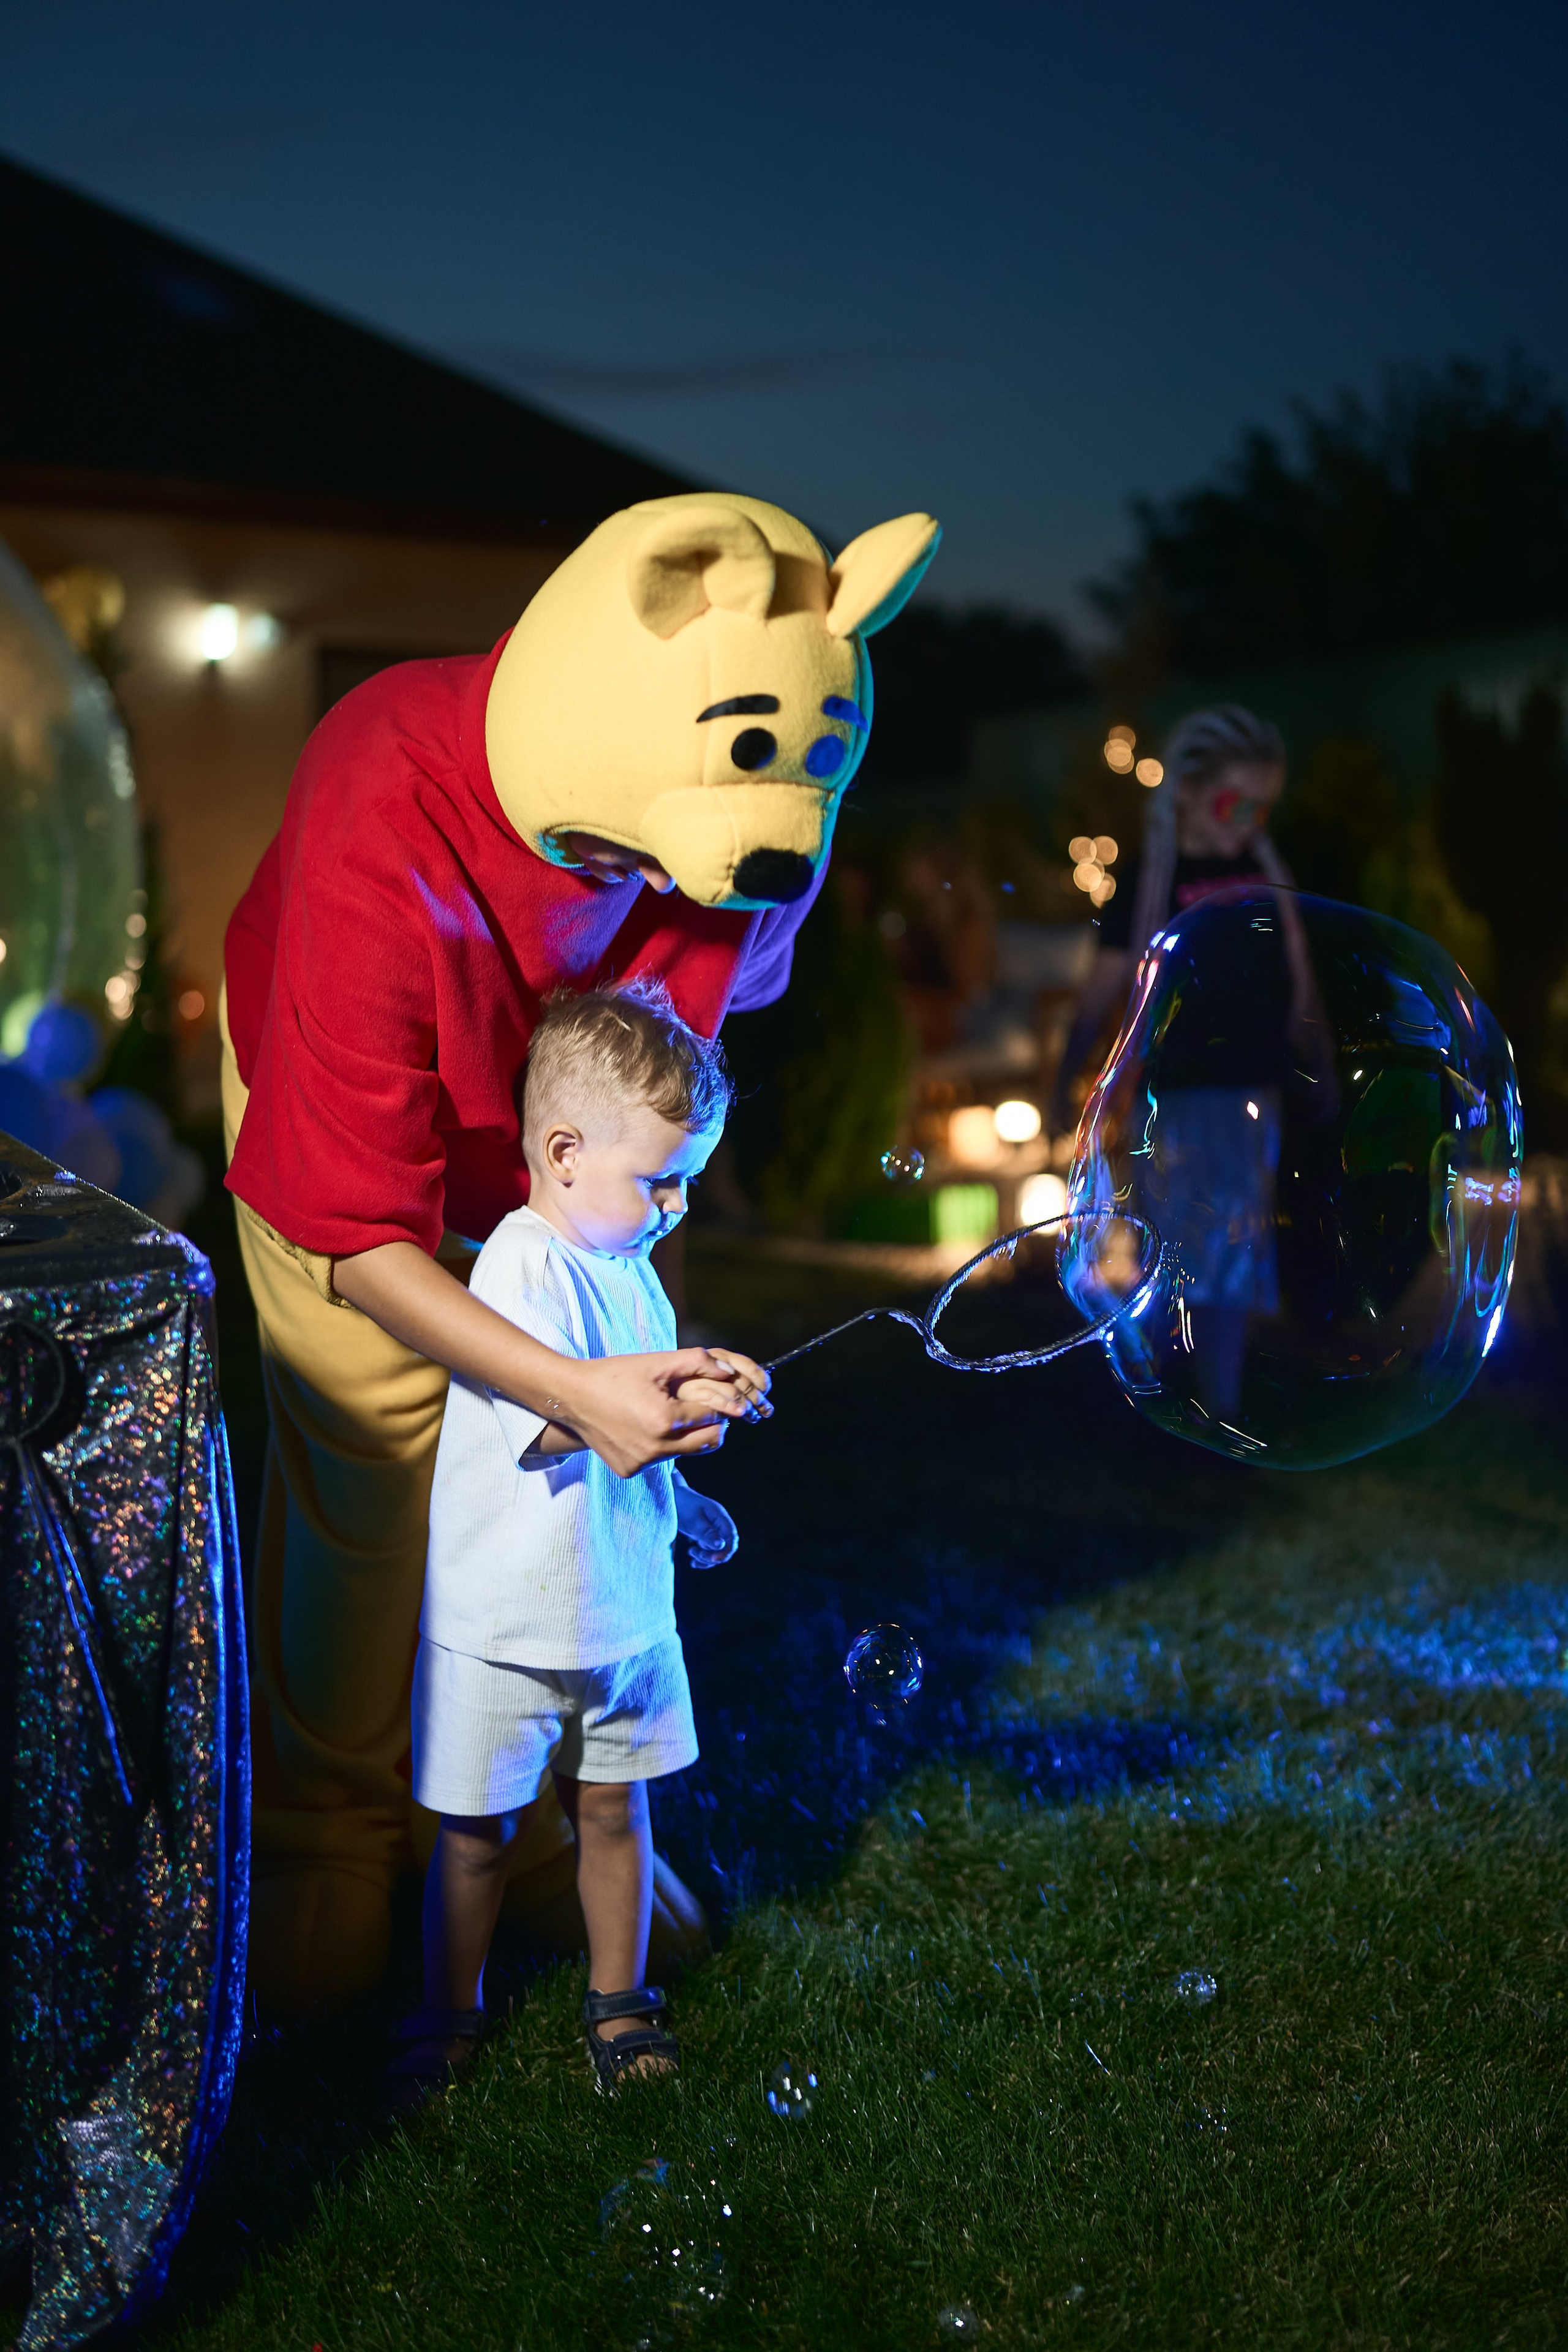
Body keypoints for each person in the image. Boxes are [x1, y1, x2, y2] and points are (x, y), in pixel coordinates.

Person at [220, 491, 940, 2010]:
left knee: (549, 1498)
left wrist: (604, 1368)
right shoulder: (380, 783)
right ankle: (330, 1835)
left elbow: (656, 1080)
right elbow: (354, 1229)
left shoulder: (757, 831)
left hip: (552, 1153)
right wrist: (570, 1382)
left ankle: (522, 1827)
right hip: (347, 1115)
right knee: (373, 1448)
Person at [388, 983, 747, 2097]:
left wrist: (693, 1468)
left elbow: (633, 1418)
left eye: (686, 1180)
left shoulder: (631, 1271)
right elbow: (550, 1422)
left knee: (613, 1806)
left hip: (621, 1613)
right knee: (479, 1833)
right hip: (507, 1622)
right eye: (660, 1180)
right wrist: (669, 1414)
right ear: (563, 1151)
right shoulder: (521, 1265)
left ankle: (620, 2000)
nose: (677, 1206)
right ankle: (448, 2011)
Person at [1052, 705, 1321, 1417]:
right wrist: (1072, 1070)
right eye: (1236, 801)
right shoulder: (1152, 876)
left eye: (1263, 805)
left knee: (1228, 1250)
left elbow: (1296, 974)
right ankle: (1188, 1402)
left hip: (1250, 1091)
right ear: (1188, 792)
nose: (1249, 819)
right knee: (1177, 1245)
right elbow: (1109, 982)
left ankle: (1210, 1403)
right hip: (1176, 1092)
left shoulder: (1263, 870)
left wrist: (1316, 1061)